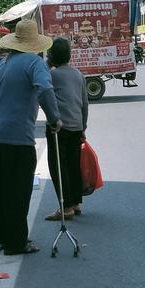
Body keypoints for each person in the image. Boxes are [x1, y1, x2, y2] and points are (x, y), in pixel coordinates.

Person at [0, 19, 61, 256]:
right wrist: (54, 118)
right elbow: (45, 90)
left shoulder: (4, 63)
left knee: (4, 190)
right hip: (17, 135)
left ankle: (5, 237)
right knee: (19, 191)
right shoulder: (34, 62)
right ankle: (17, 242)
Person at [45, 38, 87, 221]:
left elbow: (43, 92)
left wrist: (47, 64)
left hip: (59, 128)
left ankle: (66, 207)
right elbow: (84, 104)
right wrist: (83, 127)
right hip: (77, 126)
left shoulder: (52, 75)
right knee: (73, 165)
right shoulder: (78, 74)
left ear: (52, 55)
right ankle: (76, 203)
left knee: (58, 168)